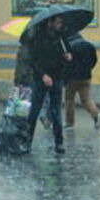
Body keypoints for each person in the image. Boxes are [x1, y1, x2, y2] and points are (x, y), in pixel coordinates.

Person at [26, 15, 72, 154]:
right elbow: (32, 61)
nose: (60, 24)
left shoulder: (61, 37)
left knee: (56, 111)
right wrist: (43, 75)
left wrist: (68, 56)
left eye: (61, 21)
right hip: (41, 79)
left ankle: (59, 143)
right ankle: (27, 141)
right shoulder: (38, 38)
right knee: (34, 111)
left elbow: (67, 52)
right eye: (58, 21)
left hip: (57, 78)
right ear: (49, 22)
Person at [64, 34, 100, 129]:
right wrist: (88, 69)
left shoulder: (69, 47)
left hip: (72, 78)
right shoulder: (89, 46)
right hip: (86, 77)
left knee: (69, 100)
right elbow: (94, 60)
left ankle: (70, 123)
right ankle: (96, 115)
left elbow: (66, 63)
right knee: (86, 99)